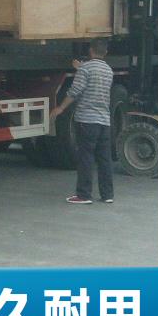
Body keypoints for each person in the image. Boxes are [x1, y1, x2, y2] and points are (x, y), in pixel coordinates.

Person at [50, 38, 114, 204]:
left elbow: (75, 91)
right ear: (105, 52)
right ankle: (107, 195)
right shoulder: (108, 70)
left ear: (90, 50)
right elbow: (95, 79)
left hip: (87, 120)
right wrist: (81, 68)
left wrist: (61, 108)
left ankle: (84, 195)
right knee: (104, 158)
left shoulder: (85, 69)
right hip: (104, 120)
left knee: (86, 157)